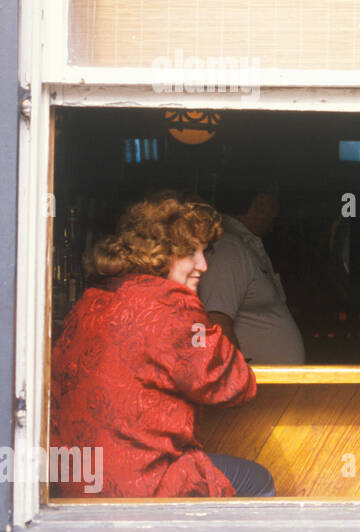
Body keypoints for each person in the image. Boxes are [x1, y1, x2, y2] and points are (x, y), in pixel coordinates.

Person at [50, 191, 274, 497]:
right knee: (259, 481)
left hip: (76, 483)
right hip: (142, 482)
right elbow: (231, 382)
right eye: (191, 253)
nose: (203, 265)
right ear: (159, 253)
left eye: (205, 251)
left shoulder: (94, 297)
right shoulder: (171, 303)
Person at [198, 186, 306, 365]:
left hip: (269, 388)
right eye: (275, 204)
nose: (276, 213)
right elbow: (215, 322)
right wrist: (236, 382)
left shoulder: (245, 246)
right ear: (261, 203)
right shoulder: (228, 249)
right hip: (251, 389)